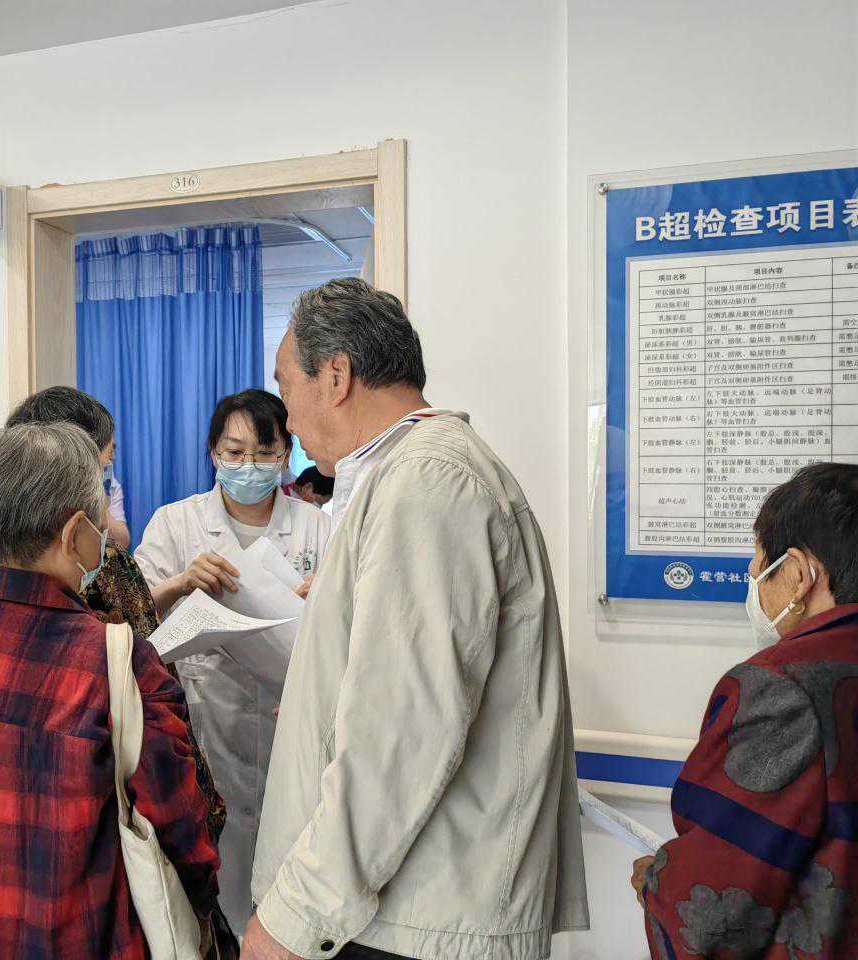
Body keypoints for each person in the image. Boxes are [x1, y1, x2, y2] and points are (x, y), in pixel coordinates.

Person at [246, 278, 588, 960]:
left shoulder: (429, 483)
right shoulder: (412, 476)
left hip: (417, 919)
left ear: (336, 376)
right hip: (403, 907)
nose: (287, 418)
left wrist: (296, 915)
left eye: (286, 386)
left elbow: (398, 735)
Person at [0, 421, 220, 959]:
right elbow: (182, 825)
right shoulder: (113, 660)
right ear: (74, 532)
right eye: (100, 522)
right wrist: (207, 912)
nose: (105, 538)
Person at [0, 386, 229, 856]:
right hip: (88, 825)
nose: (109, 475)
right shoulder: (103, 564)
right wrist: (205, 828)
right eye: (105, 460)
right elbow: (155, 723)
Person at [630, 462, 858, 960]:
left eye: (759, 572)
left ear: (798, 574)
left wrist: (657, 883)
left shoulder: (782, 688)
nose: (754, 586)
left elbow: (714, 910)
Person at [135, 388, 332, 930]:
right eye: (235, 452)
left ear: (286, 453)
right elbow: (133, 612)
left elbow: (351, 619)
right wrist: (180, 583)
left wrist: (323, 594)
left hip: (288, 721)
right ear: (213, 452)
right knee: (212, 883)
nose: (249, 465)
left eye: (265, 453)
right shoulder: (175, 523)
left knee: (287, 880)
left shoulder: (317, 525)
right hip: (206, 722)